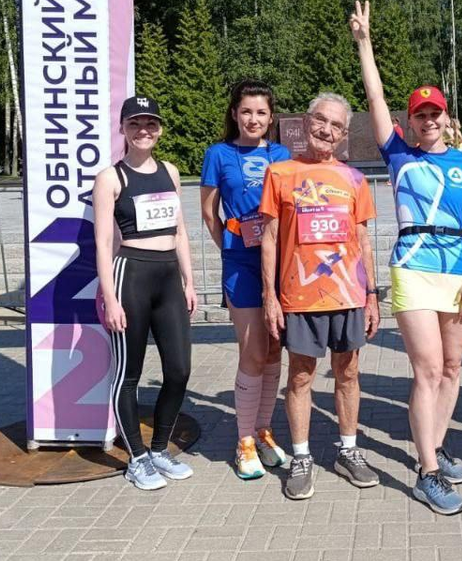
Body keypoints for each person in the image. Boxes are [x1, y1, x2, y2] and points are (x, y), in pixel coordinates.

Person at [350, 0, 462, 515]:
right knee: (428, 369)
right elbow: (375, 96)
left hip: (458, 271)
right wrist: (365, 43)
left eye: (435, 113)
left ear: (446, 118)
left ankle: (436, 445)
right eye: (420, 114)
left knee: (452, 367)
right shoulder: (398, 154)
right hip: (413, 267)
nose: (428, 119)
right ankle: (427, 472)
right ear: (409, 122)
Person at [259, 92, 381, 500]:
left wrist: (371, 295)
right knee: (300, 376)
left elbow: (363, 239)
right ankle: (301, 456)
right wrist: (270, 296)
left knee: (348, 374)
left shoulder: (355, 179)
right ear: (306, 122)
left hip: (348, 294)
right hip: (300, 296)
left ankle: (348, 450)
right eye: (321, 120)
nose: (327, 130)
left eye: (337, 126)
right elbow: (270, 239)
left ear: (344, 135)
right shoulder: (280, 173)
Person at [92, 96, 197, 491]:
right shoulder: (110, 178)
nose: (143, 131)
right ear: (123, 129)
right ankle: (136, 458)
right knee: (128, 373)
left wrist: (189, 280)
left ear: (160, 129)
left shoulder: (170, 172)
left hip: (168, 278)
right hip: (131, 276)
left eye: (150, 123)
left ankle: (159, 449)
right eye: (135, 124)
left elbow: (180, 231)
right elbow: (103, 242)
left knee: (179, 370)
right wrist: (110, 297)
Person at [201, 81, 292, 480]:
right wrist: (232, 246)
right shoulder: (218, 155)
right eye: (246, 111)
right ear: (234, 114)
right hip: (241, 264)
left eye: (261, 112)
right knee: (253, 351)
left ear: (271, 118)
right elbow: (209, 214)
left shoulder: (282, 155)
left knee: (273, 351)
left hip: (279, 264)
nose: (253, 119)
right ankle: (244, 441)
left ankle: (263, 430)